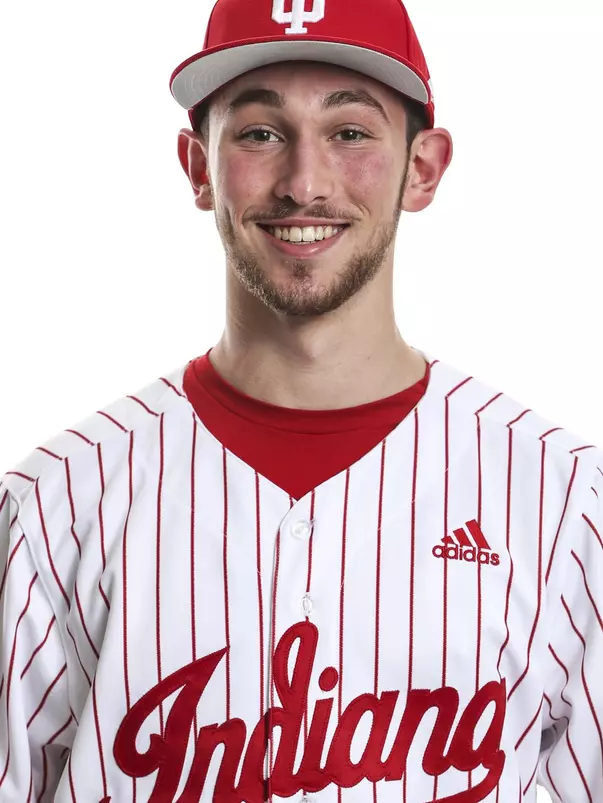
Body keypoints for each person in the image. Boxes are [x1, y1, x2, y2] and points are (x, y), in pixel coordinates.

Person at [1, 0, 601, 799]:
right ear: (198, 167)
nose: (303, 183)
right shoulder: (56, 501)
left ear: (421, 168)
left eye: (349, 132)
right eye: (258, 132)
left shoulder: (562, 502)